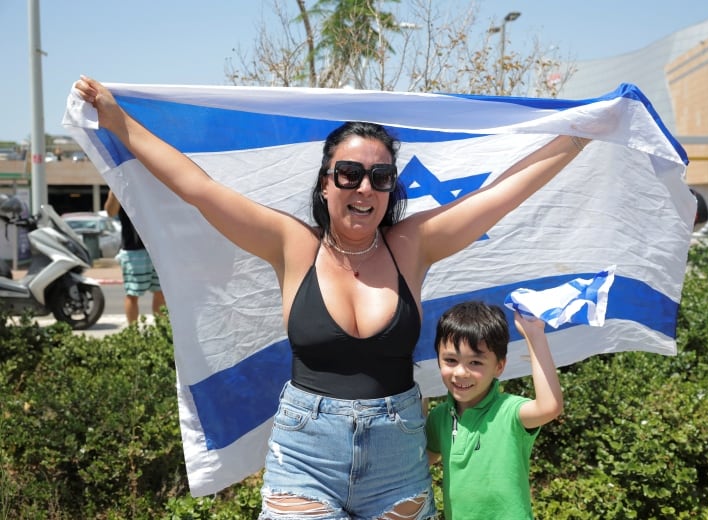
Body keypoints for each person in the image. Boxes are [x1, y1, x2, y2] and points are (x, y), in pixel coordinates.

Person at [74, 75, 589, 520]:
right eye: (349, 173)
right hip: (306, 456)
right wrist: (119, 122)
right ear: (325, 183)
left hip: (397, 457)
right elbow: (198, 187)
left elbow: (503, 192)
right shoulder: (292, 244)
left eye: (380, 177)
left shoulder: (412, 244)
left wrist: (583, 133)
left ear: (392, 189)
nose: (364, 188)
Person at [425, 301, 564, 519]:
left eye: (476, 363)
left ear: (499, 366)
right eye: (451, 360)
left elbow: (550, 406)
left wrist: (535, 335)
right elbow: (416, 466)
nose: (461, 372)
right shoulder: (439, 417)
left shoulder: (509, 411)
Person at [104, 190, 165, 323]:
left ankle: (162, 330)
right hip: (133, 249)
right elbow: (110, 212)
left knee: (161, 291)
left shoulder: (148, 183)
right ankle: (133, 332)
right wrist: (114, 191)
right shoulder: (121, 185)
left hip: (157, 249)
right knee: (132, 294)